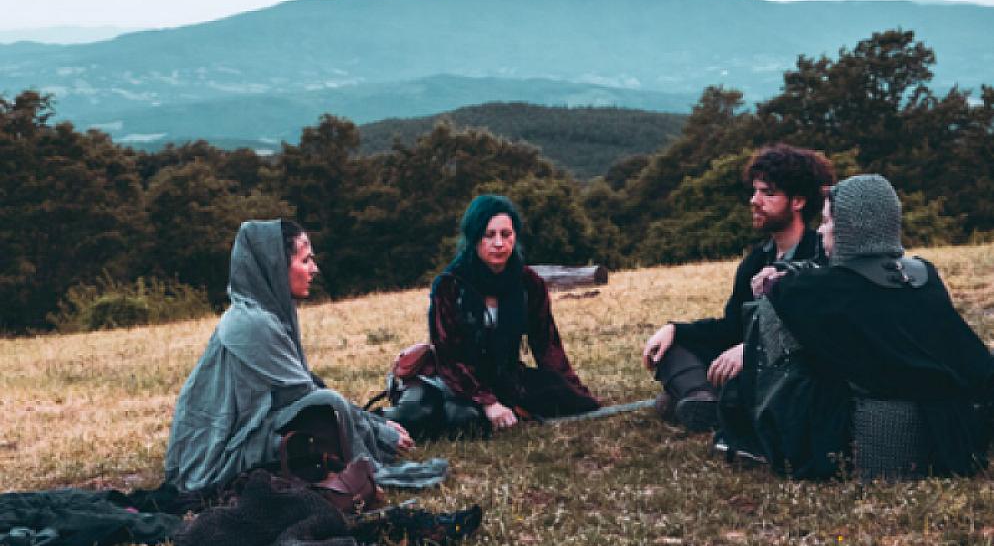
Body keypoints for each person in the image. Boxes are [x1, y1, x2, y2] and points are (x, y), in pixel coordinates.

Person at [738, 174, 994, 478]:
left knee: (774, 329)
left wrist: (776, 285)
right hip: (957, 434)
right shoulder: (924, 276)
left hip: (868, 439)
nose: (820, 231)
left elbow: (789, 346)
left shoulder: (813, 291)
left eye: (827, 221)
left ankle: (747, 433)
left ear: (849, 228)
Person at [165, 219, 447, 493]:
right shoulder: (251, 322)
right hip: (218, 455)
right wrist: (379, 430)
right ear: (276, 266)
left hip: (248, 433)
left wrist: (376, 423)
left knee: (324, 411)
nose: (314, 269)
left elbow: (301, 388)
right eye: (305, 260)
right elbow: (303, 395)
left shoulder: (268, 314)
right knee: (326, 407)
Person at [641, 144, 835, 431]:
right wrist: (677, 330)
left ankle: (697, 397)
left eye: (768, 193)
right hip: (745, 363)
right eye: (755, 191)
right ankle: (701, 400)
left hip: (790, 369)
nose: (754, 201)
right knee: (675, 349)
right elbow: (733, 327)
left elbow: (819, 331)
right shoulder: (756, 260)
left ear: (798, 202)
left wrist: (754, 349)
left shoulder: (821, 254)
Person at [384, 195, 600, 436]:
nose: (499, 243)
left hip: (504, 377)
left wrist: (576, 393)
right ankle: (388, 416)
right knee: (458, 419)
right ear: (474, 237)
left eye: (506, 234)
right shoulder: (450, 285)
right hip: (451, 378)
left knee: (560, 398)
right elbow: (449, 356)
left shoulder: (528, 283)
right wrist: (488, 402)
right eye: (489, 235)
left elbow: (547, 345)